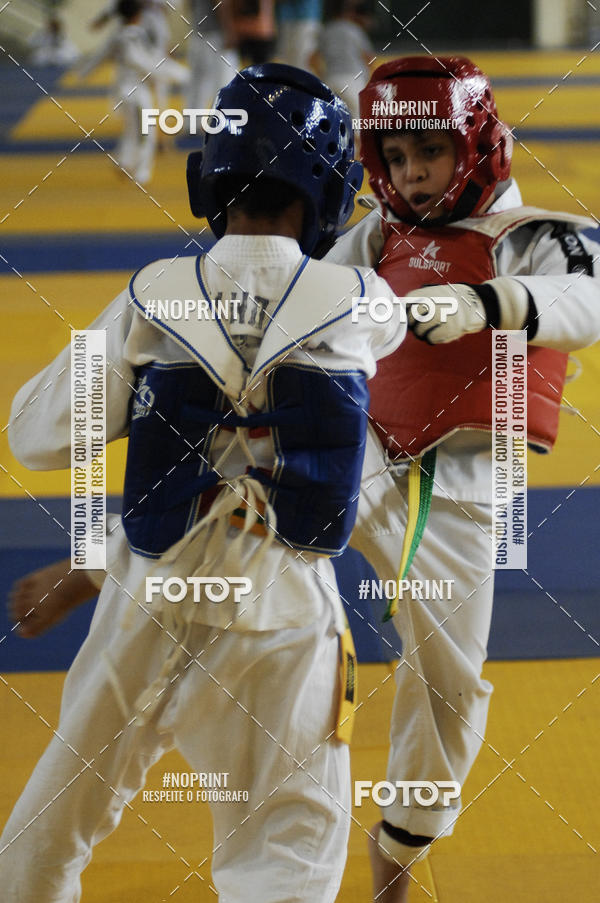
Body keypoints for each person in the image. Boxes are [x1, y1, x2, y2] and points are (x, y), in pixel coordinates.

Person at [0, 64, 406, 903]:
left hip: (147, 594)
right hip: (286, 615)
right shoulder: (369, 302)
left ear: (207, 176)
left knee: (46, 837)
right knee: (286, 857)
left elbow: (34, 437)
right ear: (329, 190)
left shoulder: (153, 295)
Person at [325, 56, 600, 901]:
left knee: (447, 685)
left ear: (475, 146)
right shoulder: (381, 232)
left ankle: (399, 851)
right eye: (397, 158)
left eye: (429, 155)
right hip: (361, 450)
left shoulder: (537, 233)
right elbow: (318, 294)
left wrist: (493, 304)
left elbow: (590, 301)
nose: (410, 175)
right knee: (247, 517)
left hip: (463, 488)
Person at [83, 0, 187, 182]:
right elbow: (148, 64)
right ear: (139, 15)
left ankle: (125, 162)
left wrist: (84, 72)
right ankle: (142, 172)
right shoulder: (135, 37)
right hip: (137, 92)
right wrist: (181, 74)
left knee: (133, 130)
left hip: (123, 91)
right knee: (146, 132)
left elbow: (100, 56)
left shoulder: (118, 36)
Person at [310, 0, 373, 120]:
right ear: (348, 12)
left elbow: (312, 59)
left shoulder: (325, 31)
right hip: (354, 80)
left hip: (331, 80)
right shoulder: (355, 29)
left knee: (333, 123)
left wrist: (323, 76)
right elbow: (370, 59)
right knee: (358, 128)